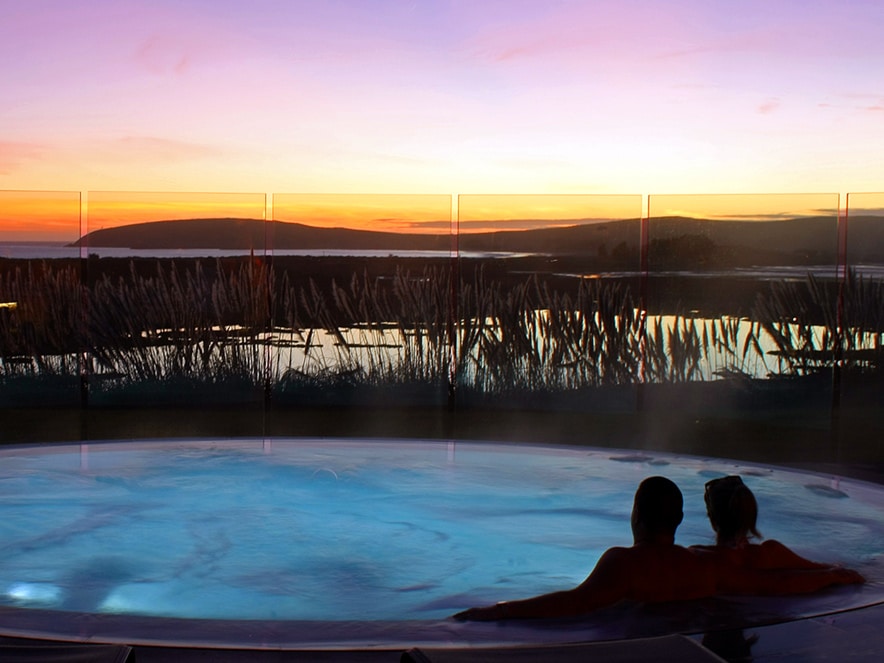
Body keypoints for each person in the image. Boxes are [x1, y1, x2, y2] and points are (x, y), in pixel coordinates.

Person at [453, 476, 863, 621]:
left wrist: (500, 610)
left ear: (636, 517)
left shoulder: (625, 563)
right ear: (680, 521)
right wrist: (830, 575)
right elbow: (769, 587)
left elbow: (574, 603)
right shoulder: (701, 565)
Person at [694, 475, 832, 570]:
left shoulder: (699, 560)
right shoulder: (772, 555)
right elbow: (825, 569)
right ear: (751, 516)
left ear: (712, 520)